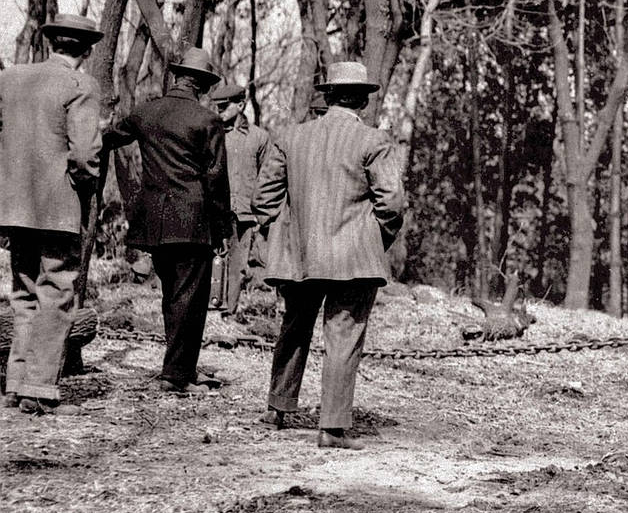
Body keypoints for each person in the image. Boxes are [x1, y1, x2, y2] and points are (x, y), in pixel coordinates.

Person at [255, 60, 406, 449]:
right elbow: (392, 204)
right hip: (353, 257)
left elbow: (263, 200)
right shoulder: (374, 141)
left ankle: (277, 410)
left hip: (300, 255)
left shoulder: (290, 137)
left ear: (328, 97)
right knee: (343, 335)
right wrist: (375, 239)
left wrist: (286, 239)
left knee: (294, 327)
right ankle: (332, 428)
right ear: (362, 100)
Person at [104, 46, 232, 393]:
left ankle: (181, 370)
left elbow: (109, 137)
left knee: (173, 297)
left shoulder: (146, 112)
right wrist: (222, 228)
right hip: (192, 222)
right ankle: (176, 376)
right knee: (189, 298)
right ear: (204, 86)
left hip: (154, 223)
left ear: (176, 77)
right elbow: (216, 179)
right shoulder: (207, 120)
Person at [0, 15, 104, 416]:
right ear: (87, 50)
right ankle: (39, 388)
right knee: (57, 291)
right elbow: (83, 155)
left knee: (24, 292)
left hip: (13, 205)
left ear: (51, 43)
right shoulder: (81, 85)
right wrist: (85, 185)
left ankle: (15, 384)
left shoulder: (10, 78)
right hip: (57, 205)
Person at [209, 82, 266, 313]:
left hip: (244, 212)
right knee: (211, 260)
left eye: (225, 106)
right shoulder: (210, 134)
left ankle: (229, 311)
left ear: (241, 104)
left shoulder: (259, 138)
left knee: (238, 265)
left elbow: (267, 176)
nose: (220, 111)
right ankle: (209, 307)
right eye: (218, 107)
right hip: (214, 210)